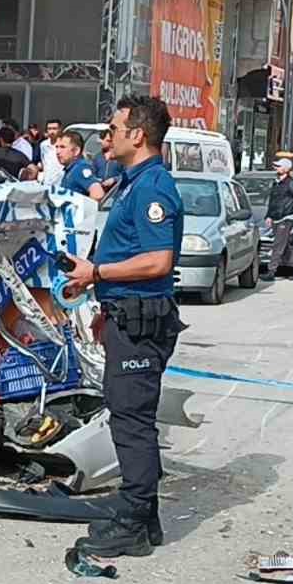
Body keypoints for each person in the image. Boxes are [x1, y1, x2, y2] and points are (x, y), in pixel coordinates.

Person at [63, 95, 185, 559]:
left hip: (141, 320)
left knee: (132, 422)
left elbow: (158, 260)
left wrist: (95, 274)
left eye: (113, 129)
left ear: (138, 135)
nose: (105, 137)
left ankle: (133, 523)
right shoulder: (134, 183)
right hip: (126, 313)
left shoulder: (153, 187)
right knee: (130, 416)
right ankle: (145, 517)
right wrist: (101, 302)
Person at [261, 158, 293, 281]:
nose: (276, 168)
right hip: (276, 218)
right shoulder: (276, 182)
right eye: (275, 166)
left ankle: (271, 271)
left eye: (279, 166)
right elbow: (273, 201)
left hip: (286, 217)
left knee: (277, 244)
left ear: (286, 169)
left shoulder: (291, 183)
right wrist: (269, 216)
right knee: (285, 246)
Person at [55, 131, 107, 201]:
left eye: (62, 147)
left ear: (76, 151)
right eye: (57, 147)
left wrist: (84, 211)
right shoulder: (71, 169)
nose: (58, 152)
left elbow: (97, 194)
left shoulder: (80, 168)